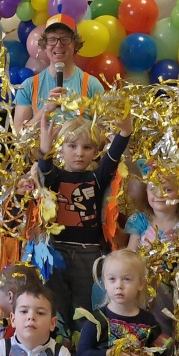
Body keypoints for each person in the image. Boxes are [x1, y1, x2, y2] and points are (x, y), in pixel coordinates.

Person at [38, 111, 131, 331]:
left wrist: (125, 133)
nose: (79, 153)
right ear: (60, 149)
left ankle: (83, 342)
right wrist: (44, 149)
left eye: (87, 147)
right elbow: (45, 169)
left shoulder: (97, 178)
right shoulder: (56, 177)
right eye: (72, 146)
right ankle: (59, 340)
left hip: (88, 252)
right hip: (57, 250)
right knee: (56, 302)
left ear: (96, 152)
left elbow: (112, 158)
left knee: (84, 304)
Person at [12, 15, 104, 130]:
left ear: (75, 45)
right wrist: (45, 110)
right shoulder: (28, 86)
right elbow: (19, 134)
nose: (59, 44)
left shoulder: (92, 85)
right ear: (45, 46)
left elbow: (104, 134)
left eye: (65, 39)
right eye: (52, 39)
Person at [123, 170, 179, 251]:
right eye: (154, 189)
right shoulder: (140, 221)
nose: (159, 195)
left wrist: (178, 247)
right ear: (146, 191)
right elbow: (130, 252)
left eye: (168, 190)